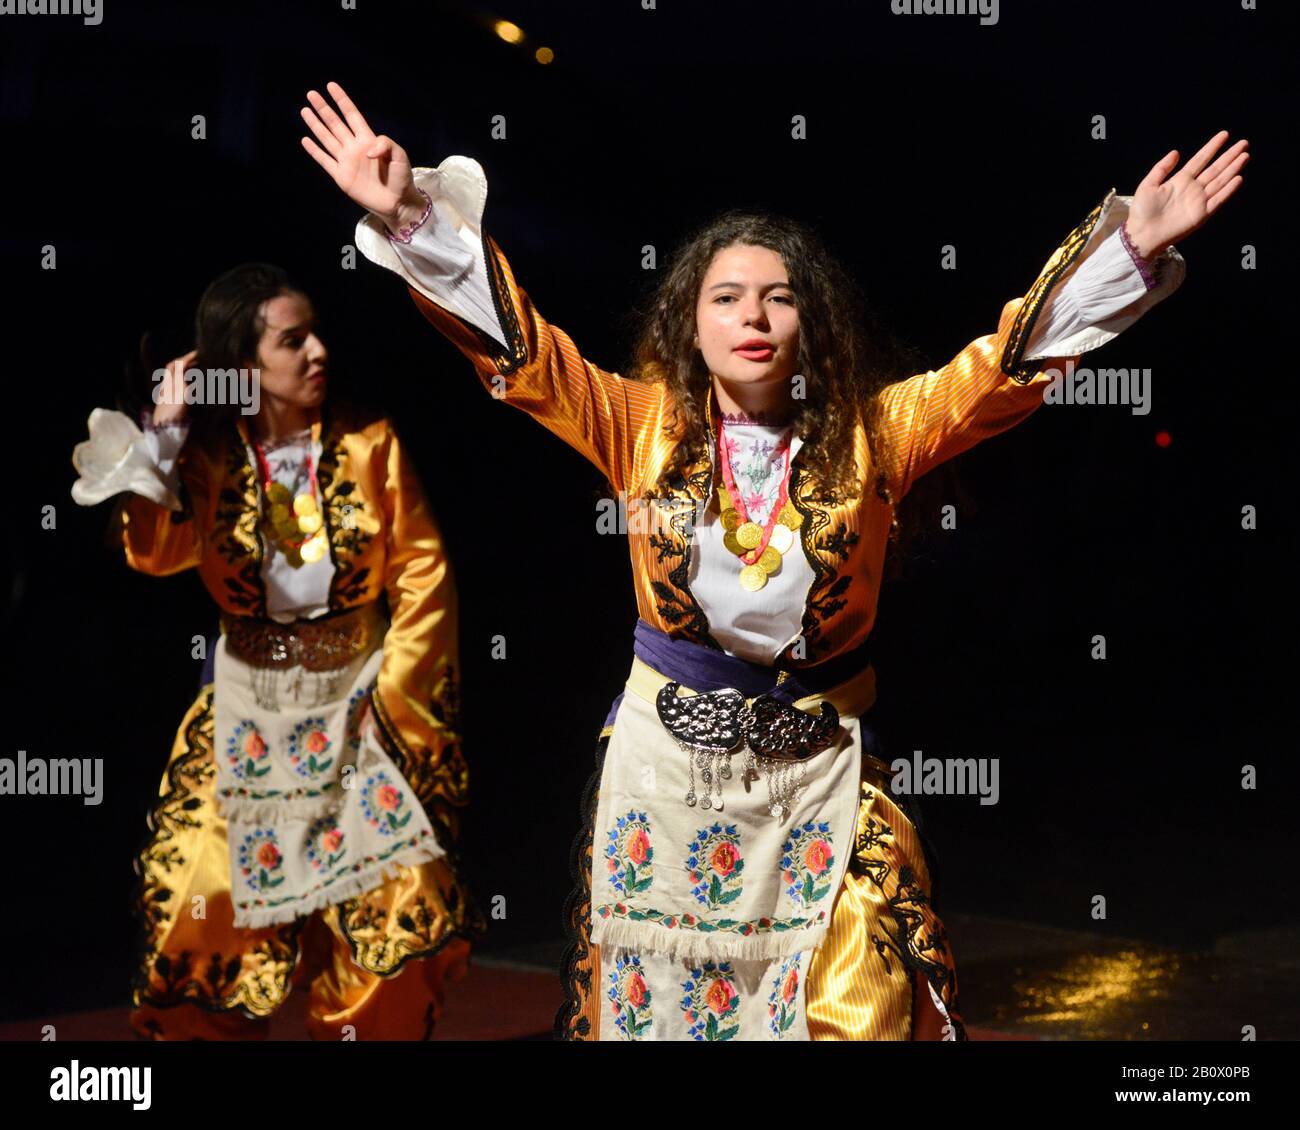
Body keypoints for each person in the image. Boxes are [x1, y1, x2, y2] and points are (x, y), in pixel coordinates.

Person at [301, 81, 1246, 1040]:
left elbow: (1002, 367)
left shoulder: (880, 432)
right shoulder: (642, 427)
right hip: (667, 776)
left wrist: (1133, 247)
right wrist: (409, 213)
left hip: (820, 774)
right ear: (693, 325)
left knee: (861, 997)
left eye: (778, 298)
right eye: (726, 299)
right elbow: (521, 349)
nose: (753, 316)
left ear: (810, 324)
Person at [71, 261, 486, 1040]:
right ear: (244, 366)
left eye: (316, 334)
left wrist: (395, 705)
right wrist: (163, 431)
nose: (319, 351)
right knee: (202, 914)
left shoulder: (371, 446)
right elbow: (153, 554)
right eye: (294, 342)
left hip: (360, 705)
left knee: (393, 914)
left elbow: (423, 571)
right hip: (246, 714)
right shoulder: (205, 461)